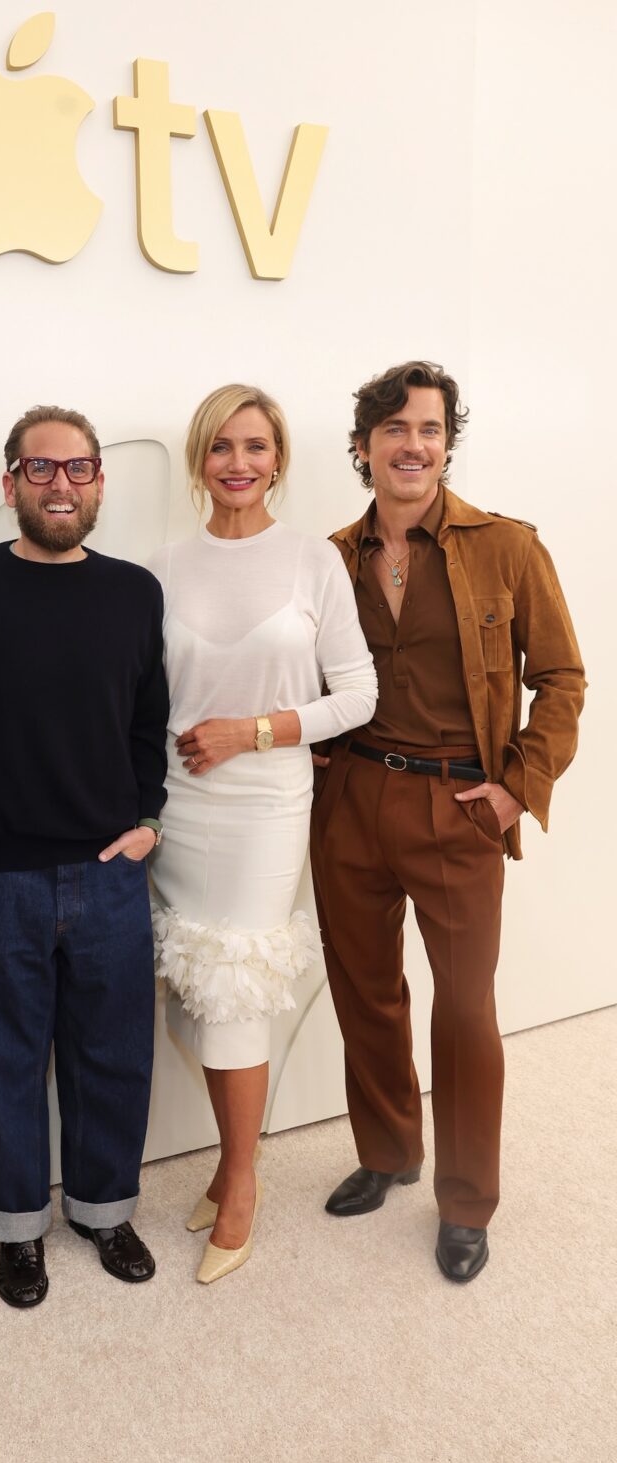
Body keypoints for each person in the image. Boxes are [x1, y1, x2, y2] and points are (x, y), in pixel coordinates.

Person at [311, 360, 585, 1282]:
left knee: (465, 1011)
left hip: (459, 804)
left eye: (428, 429)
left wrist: (516, 785)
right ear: (363, 447)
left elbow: (563, 678)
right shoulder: (329, 557)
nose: (412, 445)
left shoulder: (506, 546)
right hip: (351, 799)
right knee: (366, 991)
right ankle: (389, 1151)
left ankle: (467, 1201)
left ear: (447, 443)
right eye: (393, 429)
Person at [0, 406, 168, 1309]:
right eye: (41, 467)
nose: (61, 483)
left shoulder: (134, 591)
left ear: (99, 482)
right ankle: (17, 1228)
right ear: (11, 481)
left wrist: (149, 819)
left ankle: (103, 1210)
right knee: (7, 1058)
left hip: (110, 865)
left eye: (78, 468)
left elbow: (147, 718)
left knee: (112, 1054)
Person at [148, 384, 377, 1283]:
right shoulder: (163, 567)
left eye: (254, 446)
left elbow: (358, 695)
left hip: (266, 807)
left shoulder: (313, 562)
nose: (237, 463)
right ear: (199, 460)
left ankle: (242, 1182)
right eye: (220, 446)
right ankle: (227, 1163)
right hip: (179, 804)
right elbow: (146, 699)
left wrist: (254, 732)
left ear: (277, 458)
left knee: (236, 991)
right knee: (198, 994)